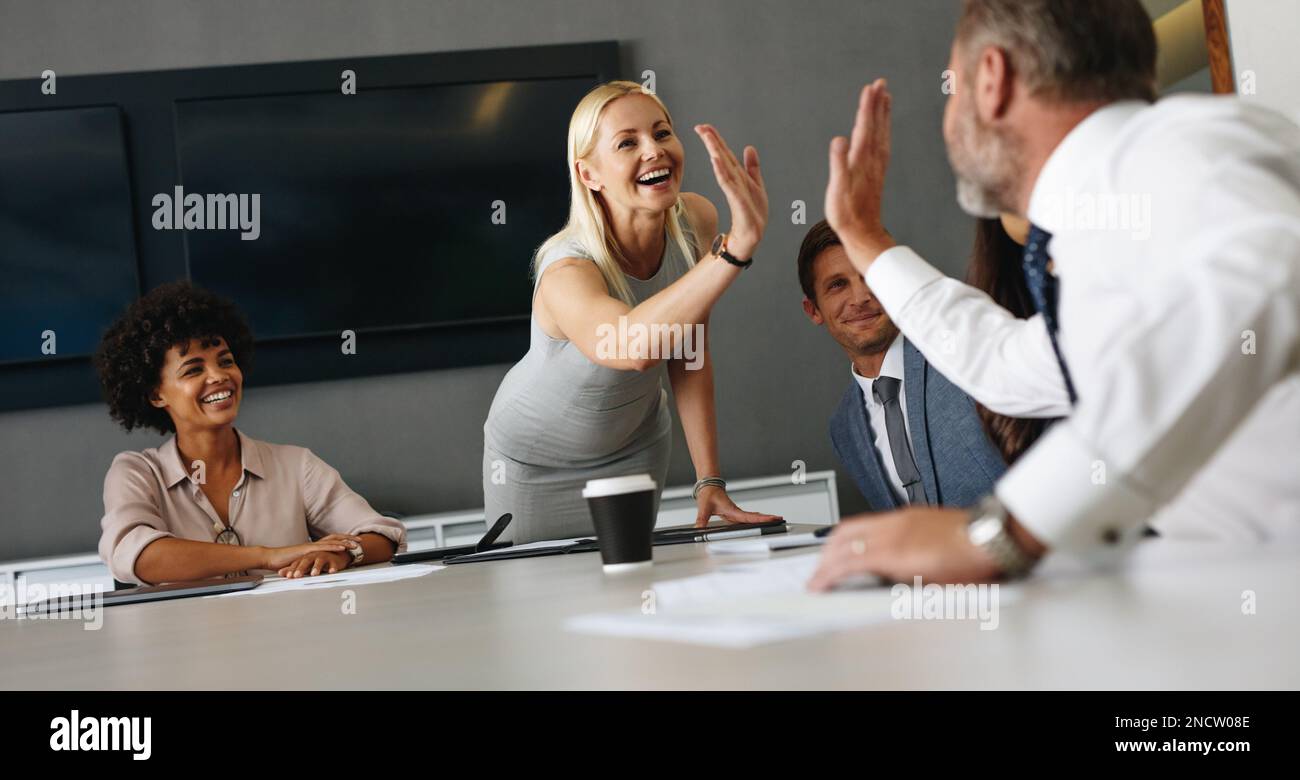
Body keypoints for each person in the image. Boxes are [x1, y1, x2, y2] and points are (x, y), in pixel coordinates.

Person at [812, 0, 1300, 588]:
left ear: (991, 79)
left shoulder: (1173, 152)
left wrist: (1001, 533)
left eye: (953, 89)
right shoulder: (1117, 210)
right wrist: (866, 241)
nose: (949, 120)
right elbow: (1009, 366)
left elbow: (1265, 276)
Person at [483, 81, 780, 543]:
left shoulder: (696, 222)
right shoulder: (567, 269)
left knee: (632, 587)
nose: (654, 151)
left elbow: (689, 351)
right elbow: (632, 347)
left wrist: (711, 481)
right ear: (589, 174)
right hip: (533, 460)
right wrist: (735, 250)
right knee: (536, 606)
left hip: (633, 444)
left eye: (662, 133)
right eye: (627, 142)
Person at [96, 282, 406, 585]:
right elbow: (138, 556)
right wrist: (267, 557)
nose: (218, 376)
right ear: (155, 395)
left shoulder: (296, 465)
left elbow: (382, 535)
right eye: (193, 370)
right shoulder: (137, 473)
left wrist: (344, 554)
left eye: (226, 362)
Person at [797, 219, 1005, 510]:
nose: (860, 297)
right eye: (838, 285)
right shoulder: (844, 428)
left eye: (870, 276)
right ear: (813, 310)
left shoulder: (958, 354)